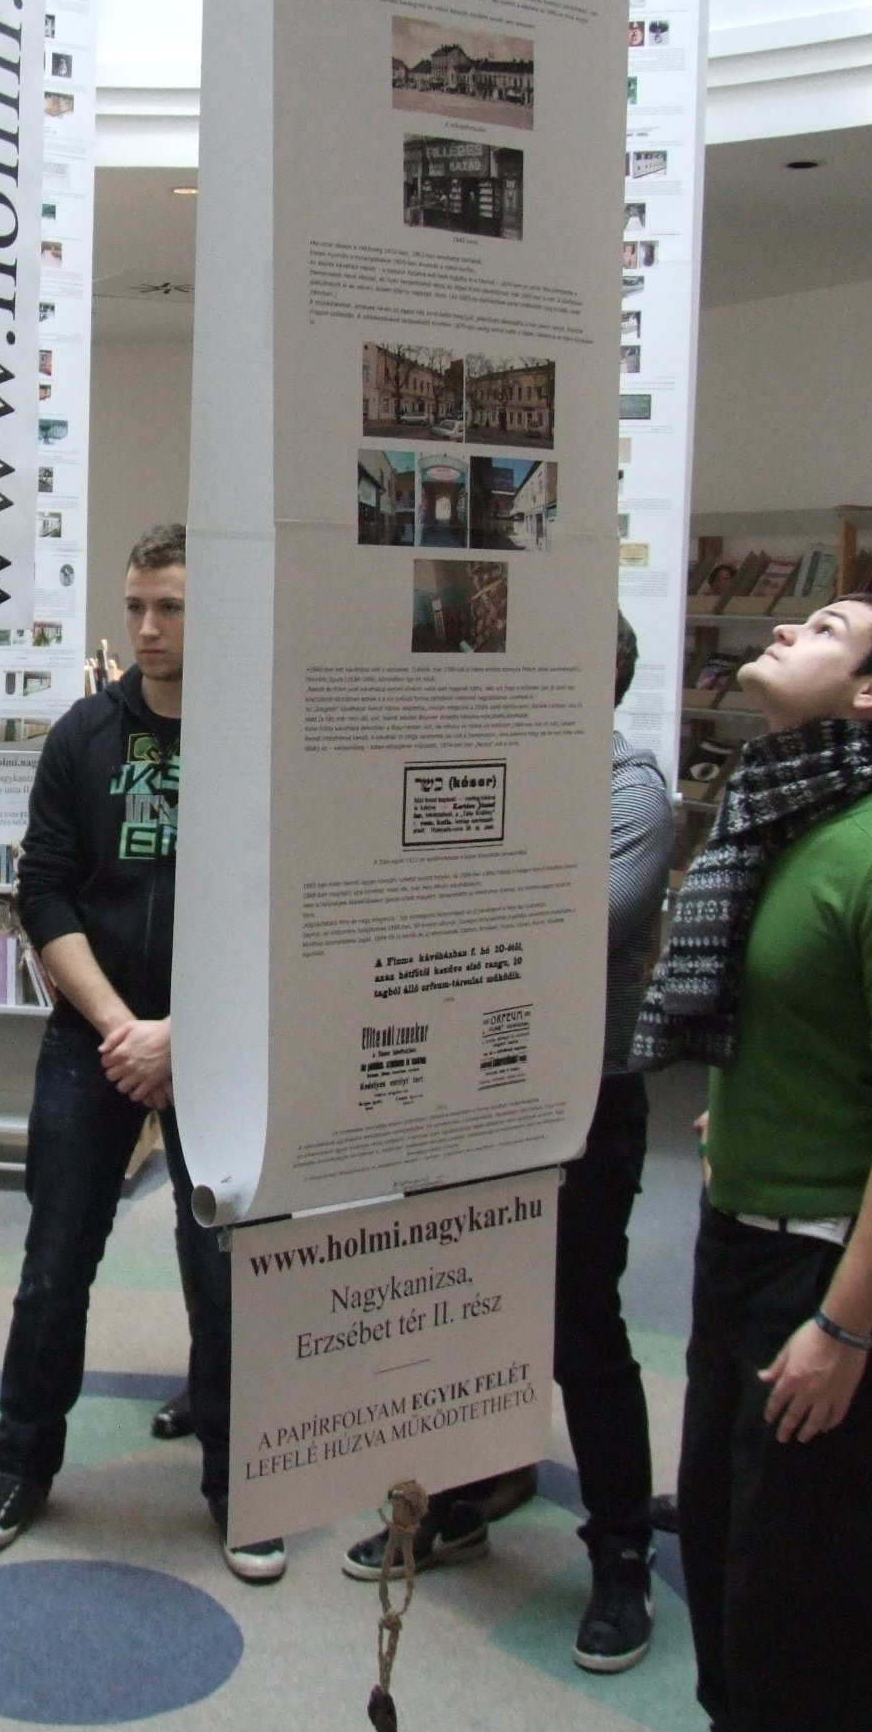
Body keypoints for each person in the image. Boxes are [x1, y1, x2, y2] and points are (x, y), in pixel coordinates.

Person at [638, 595, 872, 1732]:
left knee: (819, 1618)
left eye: (827, 629)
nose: (789, 630)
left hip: (832, 1278)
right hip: (742, 1248)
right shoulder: (776, 823)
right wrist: (743, 1116)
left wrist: (844, 1329)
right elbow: (788, 1022)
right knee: (731, 1575)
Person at [340, 612, 676, 1672]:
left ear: (601, 674)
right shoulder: (491, 768)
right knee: (460, 1310)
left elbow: (575, 932)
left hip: (581, 1101)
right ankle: (454, 1502)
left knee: (580, 1331)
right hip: (465, 1089)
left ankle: (621, 1557)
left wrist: (447, 903)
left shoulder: (630, 789)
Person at [0, 523, 284, 1583]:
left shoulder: (258, 739)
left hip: (219, 1047)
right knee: (55, 1262)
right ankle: (20, 1465)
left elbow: (281, 904)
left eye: (170, 607)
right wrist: (122, 1031)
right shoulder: (82, 737)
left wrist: (188, 1036)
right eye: (136, 606)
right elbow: (43, 891)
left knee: (223, 1267)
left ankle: (241, 1484)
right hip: (94, 1040)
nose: (147, 628)